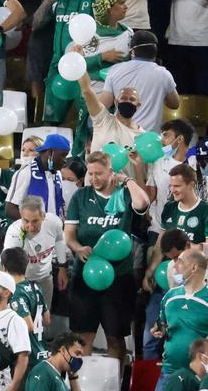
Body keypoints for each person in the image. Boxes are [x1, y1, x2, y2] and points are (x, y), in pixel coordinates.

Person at [64, 149, 151, 363]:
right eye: (90, 174)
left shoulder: (124, 194)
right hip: (84, 276)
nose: (93, 178)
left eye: (98, 173)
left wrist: (128, 180)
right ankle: (82, 383)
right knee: (83, 337)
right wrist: (78, 248)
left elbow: (143, 203)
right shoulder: (80, 197)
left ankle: (116, 383)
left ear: (111, 172)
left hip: (119, 277)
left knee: (115, 337)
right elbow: (69, 235)